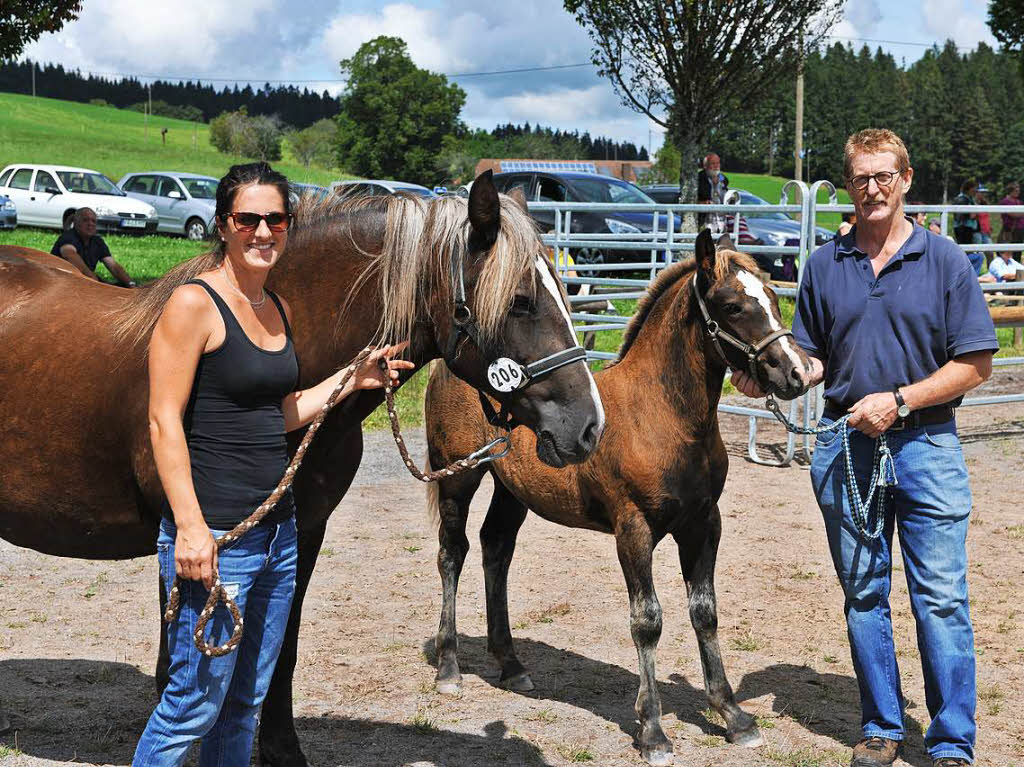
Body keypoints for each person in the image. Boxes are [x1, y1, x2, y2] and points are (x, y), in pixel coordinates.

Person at [132, 162, 413, 766]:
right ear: (223, 225)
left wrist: (353, 378)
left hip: (275, 537)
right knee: (190, 706)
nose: (263, 231)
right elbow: (163, 421)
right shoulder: (193, 305)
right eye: (248, 219)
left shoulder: (273, 309)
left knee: (243, 703)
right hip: (219, 538)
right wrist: (189, 526)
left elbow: (280, 412)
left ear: (288, 226)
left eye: (275, 219)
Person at [733, 129, 996, 767]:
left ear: (906, 178)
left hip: (926, 445)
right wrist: (775, 374)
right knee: (864, 592)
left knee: (939, 595)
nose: (872, 189)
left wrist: (902, 400)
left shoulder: (946, 262)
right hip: (847, 448)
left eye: (884, 177)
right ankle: (881, 727)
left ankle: (952, 740)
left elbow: (976, 364)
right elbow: (817, 355)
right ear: (847, 184)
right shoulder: (825, 264)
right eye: (860, 178)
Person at [50, 207, 136, 286]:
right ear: (76, 223)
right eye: (85, 220)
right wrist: (93, 278)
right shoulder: (68, 237)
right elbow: (70, 255)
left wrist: (130, 284)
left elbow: (113, 266)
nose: (90, 224)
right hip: (62, 281)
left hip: (85, 281)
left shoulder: (97, 241)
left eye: (93, 221)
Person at [696, 152, 728, 231]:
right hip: (705, 222)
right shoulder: (698, 179)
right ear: (705, 166)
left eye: (718, 163)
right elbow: (691, 200)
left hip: (721, 222)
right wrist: (704, 203)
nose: (716, 166)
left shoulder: (723, 179)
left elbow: (725, 198)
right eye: (713, 163)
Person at [998, 181, 1024, 259]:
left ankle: (1017, 270)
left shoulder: (1019, 202)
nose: (1018, 192)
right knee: (1006, 253)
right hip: (1009, 231)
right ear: (1011, 191)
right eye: (1016, 190)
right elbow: (1014, 214)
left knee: (1017, 253)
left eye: (1018, 190)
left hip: (1019, 230)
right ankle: (1007, 270)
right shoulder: (1005, 201)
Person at [952, 179, 979, 246]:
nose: (976, 191)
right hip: (963, 228)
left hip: (966, 227)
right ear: (969, 189)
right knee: (965, 247)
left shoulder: (968, 198)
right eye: (974, 189)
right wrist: (971, 215)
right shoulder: (963, 199)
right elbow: (959, 216)